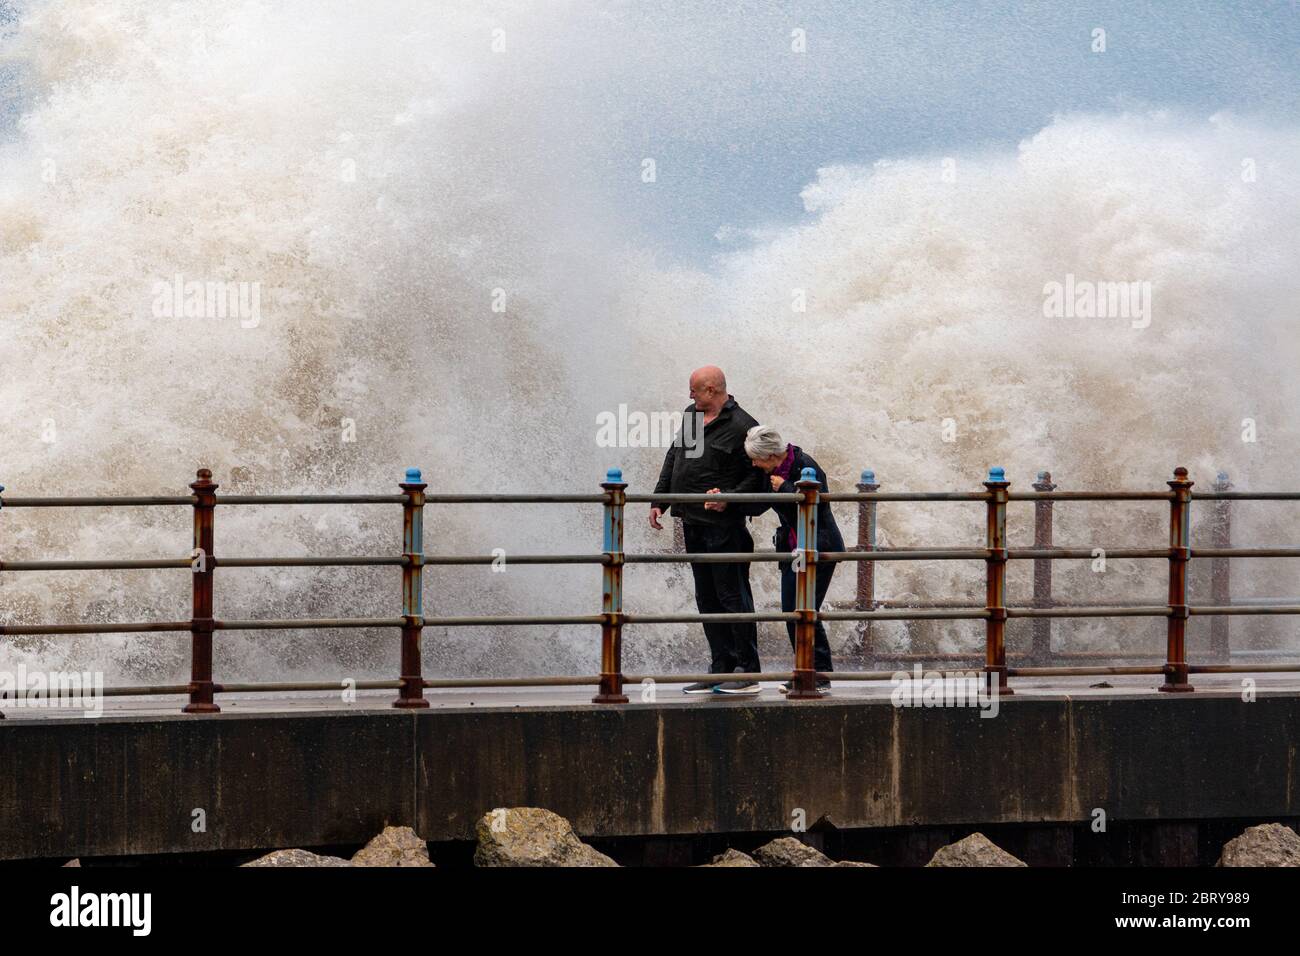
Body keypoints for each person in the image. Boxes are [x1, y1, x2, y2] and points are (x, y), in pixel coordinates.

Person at [650, 366, 767, 695]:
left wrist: (729, 500)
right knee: (707, 598)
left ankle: (748, 670)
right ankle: (721, 667)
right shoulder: (691, 416)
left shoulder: (744, 426)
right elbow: (675, 457)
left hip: (725, 528)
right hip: (693, 523)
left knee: (733, 597)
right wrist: (659, 500)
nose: (690, 396)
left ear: (712, 390)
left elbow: (756, 476)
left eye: (694, 390)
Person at [731, 424, 842, 693]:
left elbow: (813, 503)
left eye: (756, 459)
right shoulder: (773, 472)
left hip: (818, 549)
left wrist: (784, 488)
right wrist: (726, 500)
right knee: (794, 612)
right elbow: (759, 505)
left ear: (770, 455)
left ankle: (819, 675)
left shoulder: (805, 465)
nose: (754, 464)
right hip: (793, 550)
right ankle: (807, 671)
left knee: (805, 612)